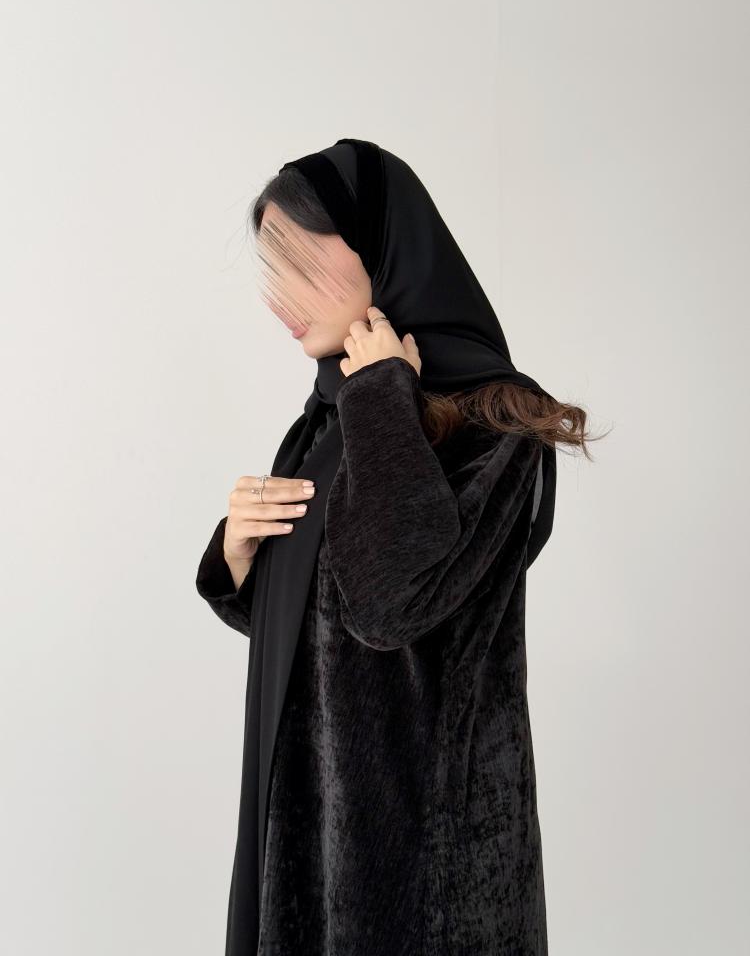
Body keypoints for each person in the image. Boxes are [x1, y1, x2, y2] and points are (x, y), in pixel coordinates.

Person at [195, 138, 596, 956]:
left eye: (302, 263)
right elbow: (322, 634)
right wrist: (237, 563)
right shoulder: (328, 419)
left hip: (424, 873)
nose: (282, 299)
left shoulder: (493, 424)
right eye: (273, 271)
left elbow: (389, 606)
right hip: (305, 842)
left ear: (380, 248)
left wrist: (382, 398)